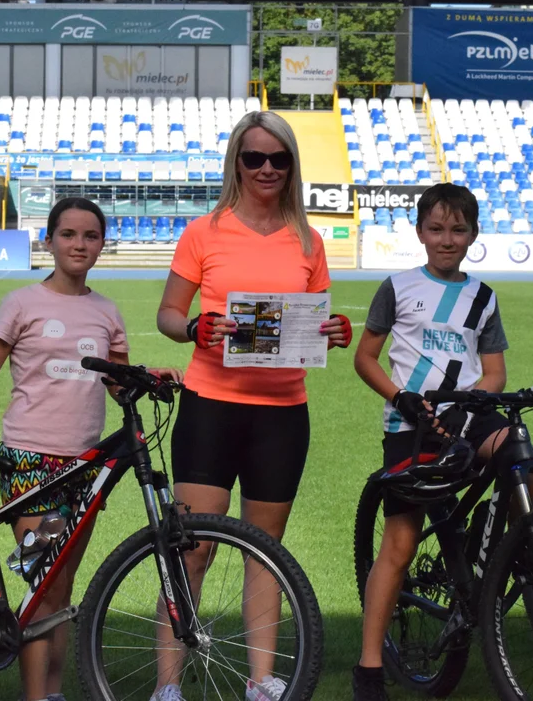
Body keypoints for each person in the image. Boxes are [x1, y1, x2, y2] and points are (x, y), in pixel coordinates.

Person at [0, 197, 181, 701]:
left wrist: (150, 377)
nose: (79, 244)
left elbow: (117, 380)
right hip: (30, 460)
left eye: (90, 236)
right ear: (49, 240)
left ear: (102, 245)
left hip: (84, 467)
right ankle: (35, 696)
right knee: (41, 586)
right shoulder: (22, 303)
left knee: (60, 590)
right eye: (68, 234)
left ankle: (53, 692)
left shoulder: (106, 310)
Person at [153, 111, 352, 701]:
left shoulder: (308, 240)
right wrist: (194, 328)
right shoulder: (203, 232)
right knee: (194, 547)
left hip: (283, 413)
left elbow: (311, 323)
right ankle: (167, 683)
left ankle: (260, 679)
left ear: (292, 166)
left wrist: (333, 330)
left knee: (265, 548)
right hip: (210, 406)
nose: (267, 168)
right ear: (235, 162)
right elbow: (166, 315)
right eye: (254, 158)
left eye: (279, 159)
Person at [351, 183, 511, 701]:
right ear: (420, 232)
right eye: (437, 229)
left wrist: (469, 403)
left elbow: (495, 373)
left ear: (473, 234)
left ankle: (492, 539)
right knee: (398, 546)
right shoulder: (397, 287)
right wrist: (401, 398)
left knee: (523, 459)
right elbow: (365, 358)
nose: (447, 239)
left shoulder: (483, 297)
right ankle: (369, 668)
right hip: (411, 426)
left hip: (468, 418)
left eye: (458, 230)